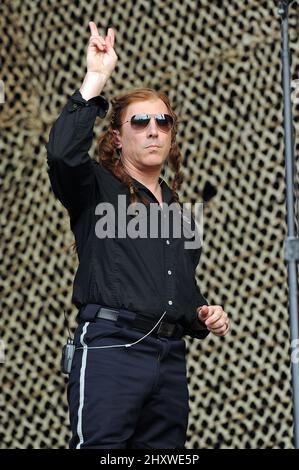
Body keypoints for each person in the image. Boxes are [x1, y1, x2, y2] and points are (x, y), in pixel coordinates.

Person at [45, 22, 230, 450]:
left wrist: (203, 312)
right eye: (140, 121)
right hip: (112, 349)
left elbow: (176, 288)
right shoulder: (94, 187)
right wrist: (96, 79)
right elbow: (61, 154)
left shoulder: (180, 214)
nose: (152, 129)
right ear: (117, 136)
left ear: (171, 134)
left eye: (162, 121)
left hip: (168, 361)